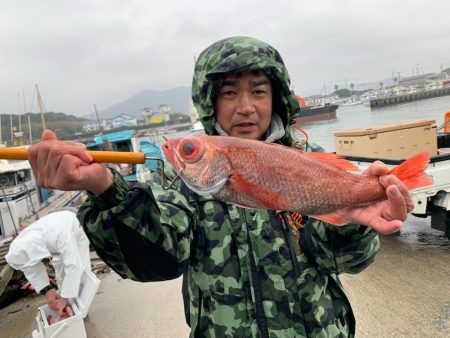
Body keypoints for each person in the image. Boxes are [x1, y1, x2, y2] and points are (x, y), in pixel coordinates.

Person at [27, 36, 413, 337]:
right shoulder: (183, 176)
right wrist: (106, 190)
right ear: (210, 102)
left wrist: (354, 221)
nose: (245, 106)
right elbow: (155, 262)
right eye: (229, 92)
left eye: (259, 91)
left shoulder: (309, 158)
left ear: (276, 97)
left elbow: (345, 262)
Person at [5, 209, 91, 316]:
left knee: (81, 270)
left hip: (74, 229)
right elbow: (31, 268)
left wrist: (65, 297)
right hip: (54, 239)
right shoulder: (19, 246)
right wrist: (48, 291)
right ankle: (69, 303)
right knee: (61, 276)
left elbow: (74, 264)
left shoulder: (59, 234)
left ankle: (82, 310)